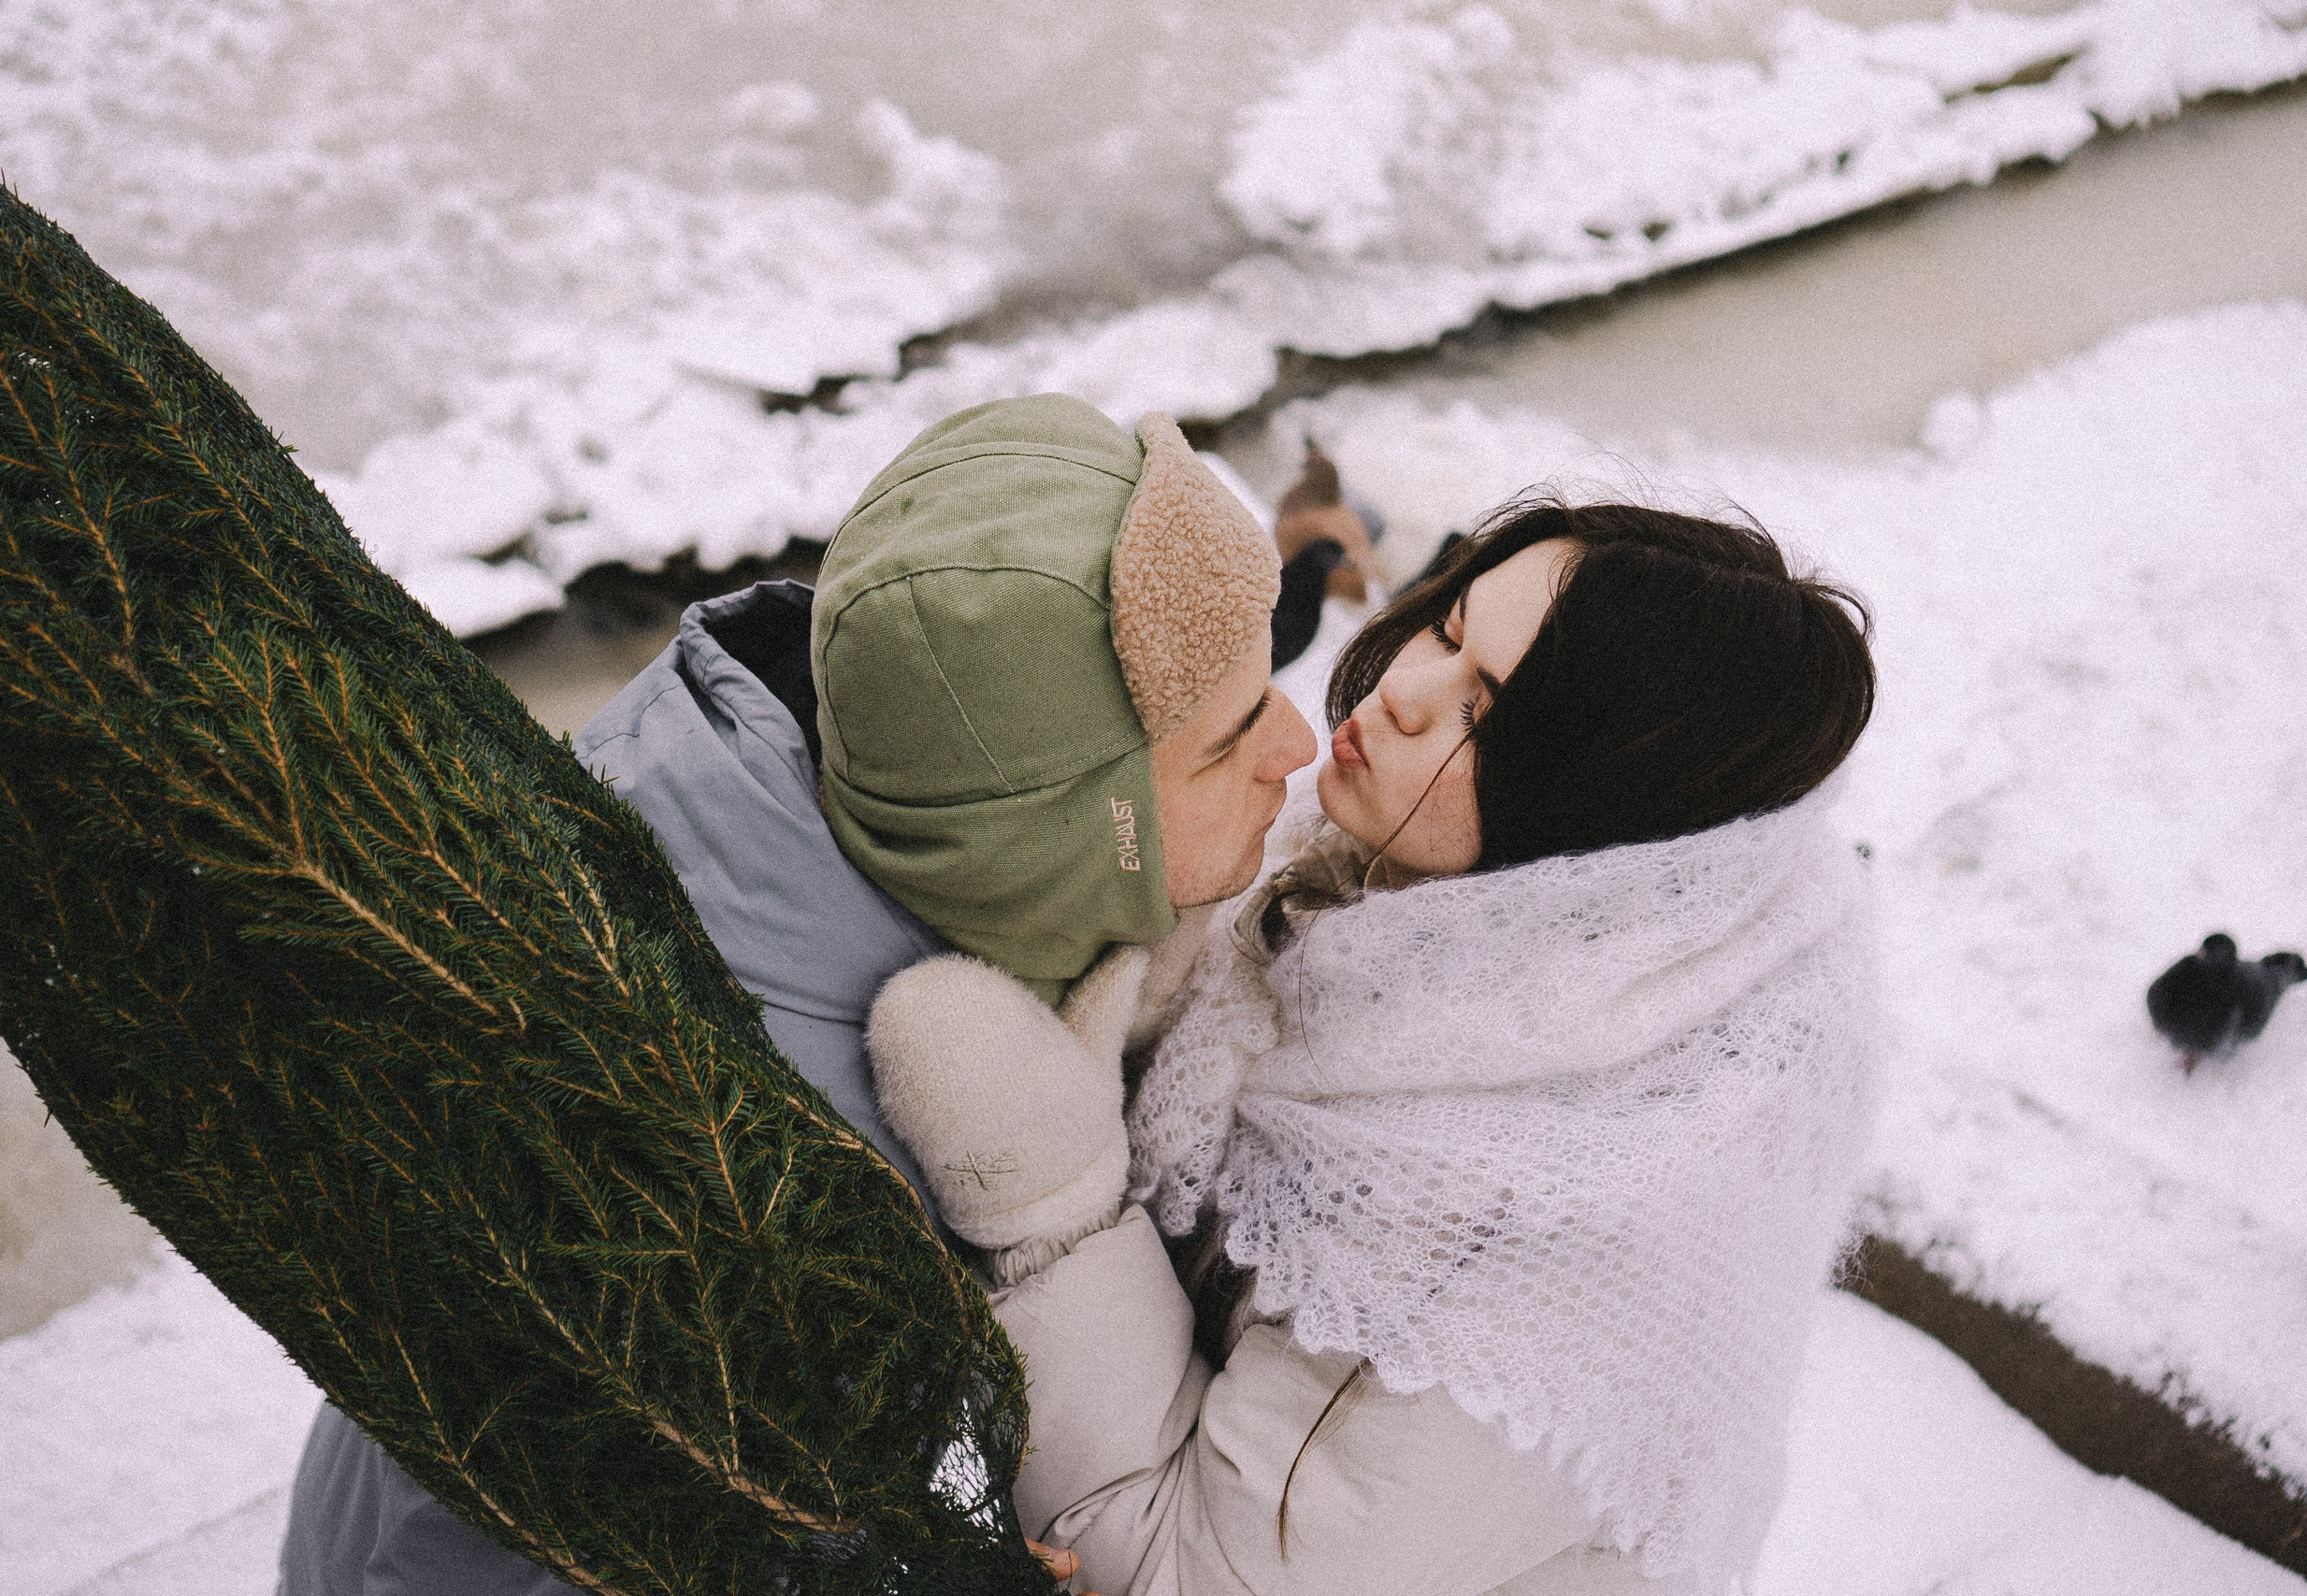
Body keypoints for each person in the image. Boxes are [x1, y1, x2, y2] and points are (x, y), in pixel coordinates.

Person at [275, 395, 1314, 1596]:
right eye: (1228, 735)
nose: (1296, 744)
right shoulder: (750, 1163)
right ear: (1064, 838)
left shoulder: (812, 820)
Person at [865, 499, 1882, 1595]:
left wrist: (1047, 1202)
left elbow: (1185, 1574)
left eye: (1482, 714)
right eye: (1446, 628)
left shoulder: (1484, 1252)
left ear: (1601, 826)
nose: (1400, 690)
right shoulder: (1439, 913)